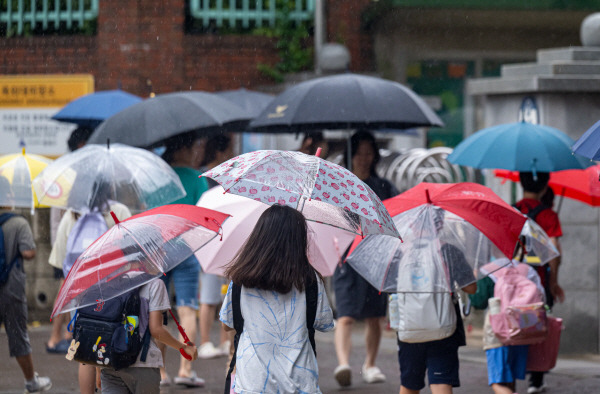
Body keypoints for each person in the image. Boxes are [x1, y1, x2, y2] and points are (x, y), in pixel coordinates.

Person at [219, 204, 334, 393]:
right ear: (299, 240)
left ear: (259, 238)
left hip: (253, 382)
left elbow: (228, 324)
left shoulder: (241, 279)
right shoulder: (310, 280)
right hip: (299, 382)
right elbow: (324, 322)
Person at [48, 179, 132, 394]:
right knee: (109, 339)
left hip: (82, 290)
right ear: (109, 188)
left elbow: (60, 259)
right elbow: (132, 247)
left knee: (85, 350)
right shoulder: (118, 210)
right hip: (113, 290)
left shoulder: (73, 215)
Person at [332, 130, 398, 387]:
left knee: (374, 316)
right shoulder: (340, 186)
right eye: (359, 153)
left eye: (369, 153)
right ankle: (343, 364)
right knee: (345, 314)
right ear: (351, 155)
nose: (364, 158)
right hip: (345, 257)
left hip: (376, 256)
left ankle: (370, 364)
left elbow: (394, 216)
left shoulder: (384, 187)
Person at [395, 208, 477, 394]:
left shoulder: (400, 251)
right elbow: (471, 288)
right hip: (444, 328)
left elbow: (390, 286)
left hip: (410, 328)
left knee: (409, 384)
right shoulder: (449, 250)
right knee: (441, 382)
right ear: (439, 224)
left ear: (412, 224)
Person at [159, 131, 210, 387]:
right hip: (187, 247)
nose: (194, 154)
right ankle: (185, 369)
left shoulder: (157, 177)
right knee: (187, 308)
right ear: (182, 150)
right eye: (192, 148)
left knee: (158, 312)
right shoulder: (195, 178)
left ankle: (160, 373)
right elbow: (204, 214)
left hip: (159, 248)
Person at [469, 243, 546, 394]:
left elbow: (478, 302)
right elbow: (541, 298)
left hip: (497, 333)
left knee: (498, 382)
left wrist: (475, 278)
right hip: (523, 330)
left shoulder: (487, 271)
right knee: (511, 380)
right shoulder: (528, 270)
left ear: (491, 248)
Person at [100, 277, 199, 394]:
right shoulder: (155, 284)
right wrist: (183, 347)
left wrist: (97, 369)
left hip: (109, 362)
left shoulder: (107, 282)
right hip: (144, 363)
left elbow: (102, 327)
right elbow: (156, 330)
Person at [0, 176, 53, 393]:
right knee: (18, 334)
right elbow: (28, 252)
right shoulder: (19, 222)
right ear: (8, 196)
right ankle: (31, 381)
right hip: (11, 288)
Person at [46, 125, 94, 354]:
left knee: (68, 292)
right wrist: (63, 249)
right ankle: (59, 337)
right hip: (67, 247)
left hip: (68, 245)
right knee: (66, 292)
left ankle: (62, 336)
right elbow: (59, 218)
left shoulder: (74, 172)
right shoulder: (68, 174)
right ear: (80, 145)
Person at [514, 172, 564, 394]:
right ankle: (536, 379)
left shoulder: (510, 210)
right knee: (539, 326)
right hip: (539, 282)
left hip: (513, 281)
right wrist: (553, 282)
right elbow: (553, 253)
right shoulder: (548, 215)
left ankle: (510, 375)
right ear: (545, 187)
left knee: (513, 322)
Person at [196, 133, 233, 359]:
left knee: (224, 294)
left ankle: (223, 341)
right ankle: (206, 342)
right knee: (209, 296)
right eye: (228, 151)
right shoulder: (207, 178)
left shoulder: (223, 177)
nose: (231, 156)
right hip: (209, 238)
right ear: (220, 152)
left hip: (226, 238)